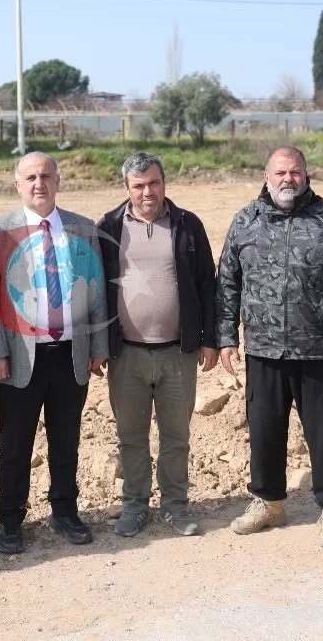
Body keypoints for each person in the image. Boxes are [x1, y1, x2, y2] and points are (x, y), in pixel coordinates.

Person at [216, 146, 323, 549]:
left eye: (295, 172)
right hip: (263, 349)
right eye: (281, 172)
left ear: (306, 175)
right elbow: (227, 281)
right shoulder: (246, 220)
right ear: (266, 176)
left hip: (319, 351)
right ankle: (268, 503)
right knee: (264, 430)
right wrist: (227, 336)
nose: (288, 179)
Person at [0, 152, 109, 553]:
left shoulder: (83, 228)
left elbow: (96, 290)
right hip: (19, 359)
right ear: (18, 185)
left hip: (70, 354)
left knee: (66, 441)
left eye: (46, 176)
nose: (39, 183)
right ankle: (10, 519)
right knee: (14, 444)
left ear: (58, 181)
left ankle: (64, 511)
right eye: (31, 177)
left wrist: (98, 347)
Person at [96, 152, 217, 537]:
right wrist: (97, 345)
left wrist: (211, 339)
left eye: (154, 183)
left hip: (178, 354)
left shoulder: (187, 224)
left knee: (176, 438)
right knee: (131, 437)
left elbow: (207, 284)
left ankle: (175, 506)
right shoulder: (109, 226)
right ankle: (134, 506)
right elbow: (95, 290)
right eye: (139, 185)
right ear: (126, 188)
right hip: (126, 354)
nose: (147, 192)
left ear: (164, 182)